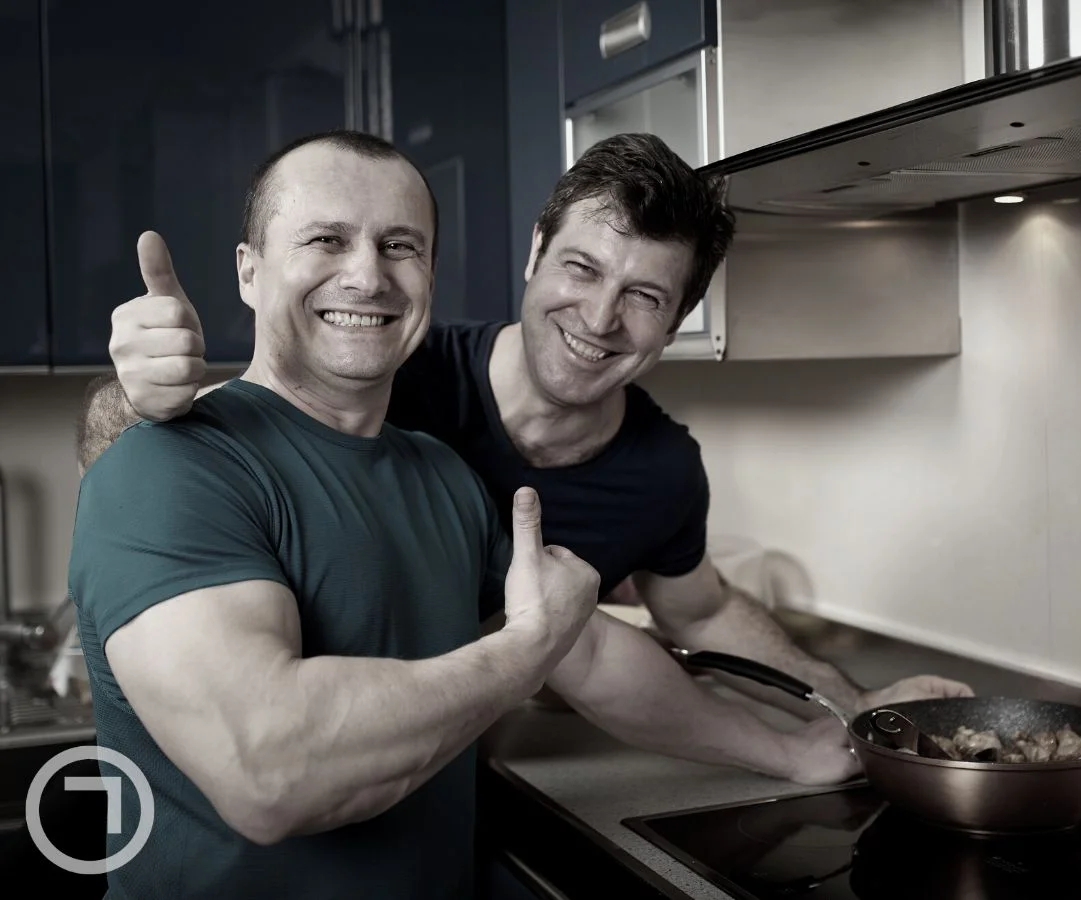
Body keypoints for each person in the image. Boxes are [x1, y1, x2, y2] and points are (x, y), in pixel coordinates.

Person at [68, 130, 861, 900]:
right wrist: (523, 651)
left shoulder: (442, 475)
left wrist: (794, 752)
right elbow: (272, 774)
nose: (367, 277)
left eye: (400, 246)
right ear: (249, 270)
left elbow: (589, 655)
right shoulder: (162, 462)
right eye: (325, 240)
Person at [81, 131, 973, 723]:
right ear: (534, 252)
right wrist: (138, 391)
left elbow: (689, 610)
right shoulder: (390, 370)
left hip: (469, 780)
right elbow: (203, 449)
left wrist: (851, 702)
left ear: (674, 326)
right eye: (580, 268)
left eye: (645, 298)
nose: (598, 317)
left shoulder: (662, 466)